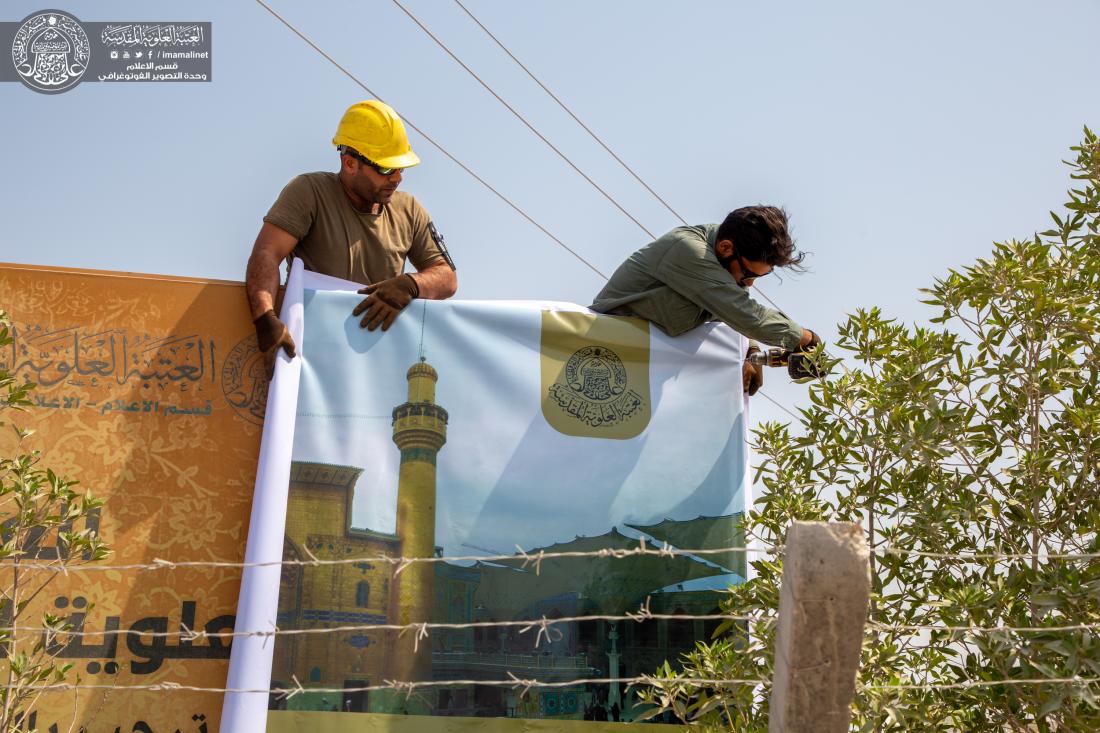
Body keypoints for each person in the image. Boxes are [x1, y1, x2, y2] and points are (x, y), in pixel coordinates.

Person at [245, 100, 458, 362]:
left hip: (375, 359)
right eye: (385, 168)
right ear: (349, 163)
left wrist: (410, 284)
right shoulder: (310, 193)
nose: (397, 177)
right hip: (312, 355)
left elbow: (447, 277)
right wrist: (265, 316)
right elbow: (267, 253)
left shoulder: (409, 210)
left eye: (400, 168)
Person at [590, 206, 820, 396]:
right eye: (749, 274)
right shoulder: (690, 251)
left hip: (639, 367)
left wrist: (749, 350)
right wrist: (807, 339)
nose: (749, 284)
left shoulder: (722, 261)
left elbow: (730, 310)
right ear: (726, 247)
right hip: (600, 356)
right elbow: (746, 314)